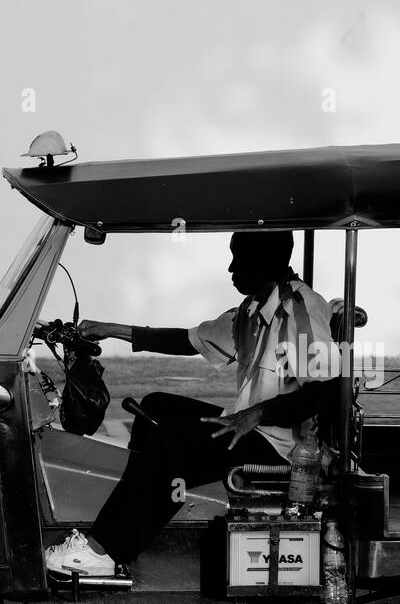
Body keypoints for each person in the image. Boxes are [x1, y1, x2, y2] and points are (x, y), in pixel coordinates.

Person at [50, 230, 338, 581]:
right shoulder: (250, 311)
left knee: (170, 440)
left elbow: (326, 391)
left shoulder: (303, 309)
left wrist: (256, 414)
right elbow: (188, 339)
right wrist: (110, 329)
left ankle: (104, 550)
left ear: (266, 262)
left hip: (280, 449)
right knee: (156, 407)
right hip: (248, 427)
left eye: (239, 259)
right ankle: (146, 509)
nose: (231, 268)